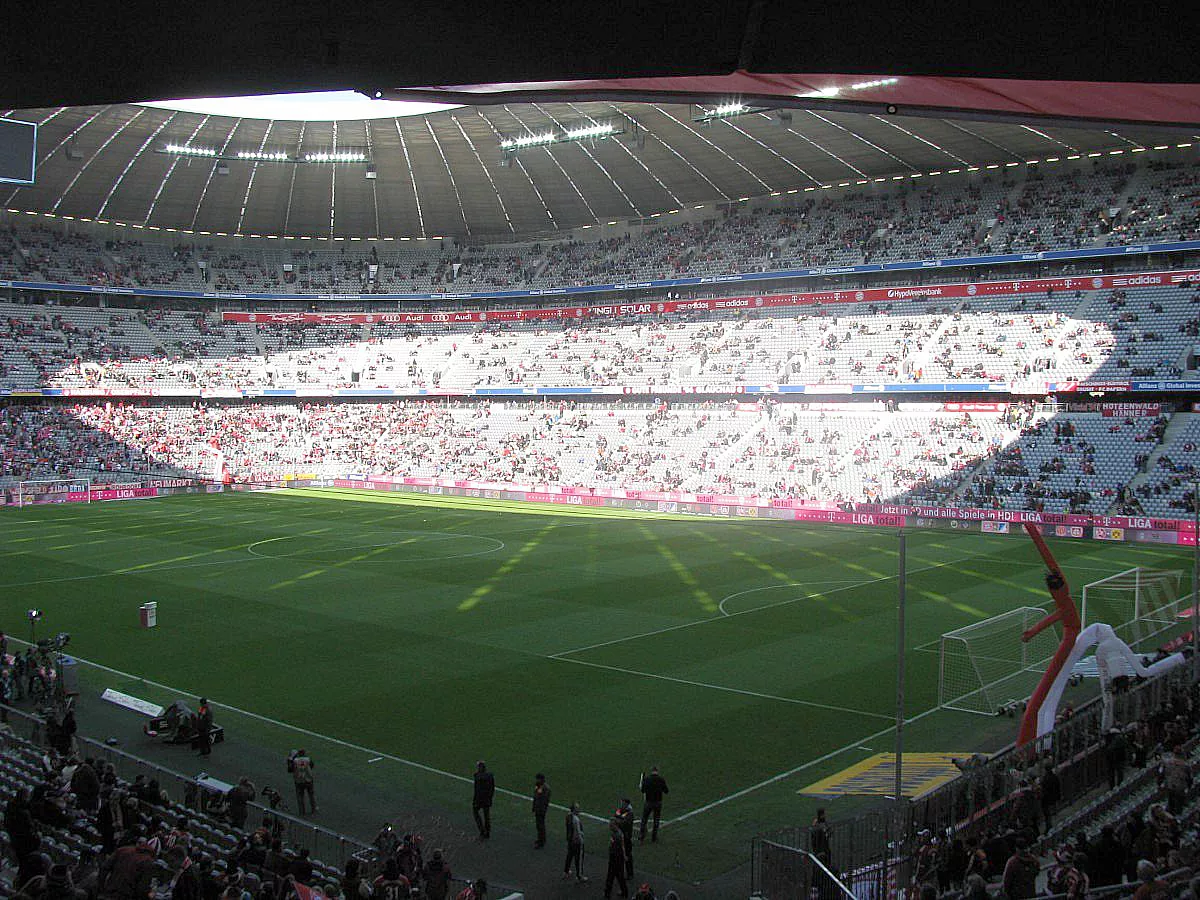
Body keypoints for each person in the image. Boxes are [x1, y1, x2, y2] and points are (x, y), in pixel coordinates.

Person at [638, 767, 668, 843]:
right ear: (657, 772)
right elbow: (666, 791)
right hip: (658, 802)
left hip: (648, 802)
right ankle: (654, 837)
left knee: (644, 819)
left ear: (651, 772)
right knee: (656, 820)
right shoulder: (661, 779)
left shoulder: (647, 779)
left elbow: (642, 790)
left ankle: (641, 836)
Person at [604, 819, 629, 899]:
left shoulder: (617, 835)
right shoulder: (617, 833)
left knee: (611, 876)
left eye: (611, 825)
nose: (609, 826)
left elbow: (621, 846)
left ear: (615, 825)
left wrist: (623, 855)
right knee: (619, 876)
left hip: (616, 858)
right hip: (617, 857)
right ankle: (624, 892)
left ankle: (607, 894)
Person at [563, 802, 587, 883]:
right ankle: (579, 876)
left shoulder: (568, 816)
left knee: (569, 855)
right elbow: (577, 832)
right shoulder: (576, 819)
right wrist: (581, 840)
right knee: (578, 859)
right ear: (574, 810)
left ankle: (566, 871)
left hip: (570, 840)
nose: (579, 810)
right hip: (576, 842)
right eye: (577, 808)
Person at [472, 761, 494, 839]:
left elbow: (477, 790)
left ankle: (482, 831)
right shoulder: (490, 776)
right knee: (486, 815)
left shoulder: (477, 776)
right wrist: (490, 798)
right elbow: (492, 788)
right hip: (487, 798)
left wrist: (475, 800)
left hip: (479, 799)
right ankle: (487, 832)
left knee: (475, 812)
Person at [289, 750, 316, 815]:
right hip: (308, 780)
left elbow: (290, 769)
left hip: (299, 781)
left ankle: (302, 812)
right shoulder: (308, 759)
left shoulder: (295, 761)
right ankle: (313, 809)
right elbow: (312, 765)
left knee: (300, 797)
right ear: (304, 754)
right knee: (311, 795)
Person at [615, 798, 635, 878]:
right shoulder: (620, 810)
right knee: (619, 855)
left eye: (622, 803)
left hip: (626, 837)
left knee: (627, 855)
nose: (621, 805)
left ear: (627, 804)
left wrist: (617, 821)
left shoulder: (630, 813)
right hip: (619, 837)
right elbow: (615, 818)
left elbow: (624, 823)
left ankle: (630, 873)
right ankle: (620, 871)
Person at [532, 773, 550, 849]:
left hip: (541, 809)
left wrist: (541, 808)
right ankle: (540, 839)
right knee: (538, 825)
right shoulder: (538, 786)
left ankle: (541, 841)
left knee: (541, 825)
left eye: (538, 779)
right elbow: (535, 796)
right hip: (537, 808)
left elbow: (544, 800)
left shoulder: (545, 788)